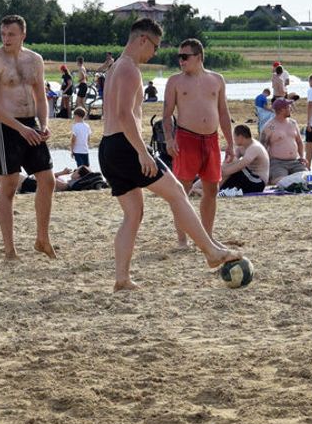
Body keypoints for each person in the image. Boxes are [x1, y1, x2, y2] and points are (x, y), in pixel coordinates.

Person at [99, 18, 244, 291]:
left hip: (108, 148)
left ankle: (122, 278)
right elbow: (124, 115)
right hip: (125, 144)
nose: (153, 53)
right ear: (143, 39)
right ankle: (211, 252)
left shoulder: (115, 66)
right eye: (153, 46)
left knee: (133, 214)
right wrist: (142, 152)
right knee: (177, 192)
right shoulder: (130, 69)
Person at [0, 14, 57, 260]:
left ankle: (42, 238)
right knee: (10, 185)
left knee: (48, 180)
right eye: (3, 34)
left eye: (11, 34)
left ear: (23, 34)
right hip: (3, 125)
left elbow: (40, 96)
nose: (6, 39)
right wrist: (21, 129)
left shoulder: (34, 59)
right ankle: (10, 250)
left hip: (30, 123)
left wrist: (43, 124)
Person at [163, 38, 234, 246]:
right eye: (179, 57)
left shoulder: (217, 79)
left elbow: (223, 112)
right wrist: (169, 139)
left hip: (211, 139)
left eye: (185, 57)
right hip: (186, 138)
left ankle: (208, 236)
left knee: (211, 190)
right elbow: (166, 115)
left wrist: (230, 143)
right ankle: (182, 238)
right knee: (181, 191)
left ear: (199, 57)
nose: (181, 61)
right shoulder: (175, 81)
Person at [261, 98, 307, 184]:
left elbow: (299, 142)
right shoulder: (270, 126)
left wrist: (302, 156)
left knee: (308, 178)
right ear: (282, 110)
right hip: (278, 163)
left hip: (295, 161)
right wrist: (265, 164)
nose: (291, 109)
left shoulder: (293, 123)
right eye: (289, 107)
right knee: (281, 182)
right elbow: (262, 146)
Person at [220, 124, 270, 194]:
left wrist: (222, 172)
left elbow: (240, 165)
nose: (234, 140)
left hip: (258, 182)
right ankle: (210, 186)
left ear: (240, 137)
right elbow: (230, 160)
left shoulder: (254, 147)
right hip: (247, 178)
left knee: (231, 165)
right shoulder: (241, 146)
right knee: (230, 161)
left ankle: (212, 187)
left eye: (234, 137)